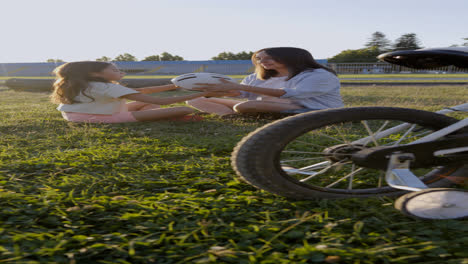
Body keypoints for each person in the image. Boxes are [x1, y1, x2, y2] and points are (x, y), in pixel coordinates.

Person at [186, 47, 344, 116]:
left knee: (245, 105)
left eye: (269, 57)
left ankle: (243, 112)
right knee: (195, 100)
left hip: (308, 108)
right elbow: (240, 93)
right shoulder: (258, 76)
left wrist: (237, 86)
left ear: (291, 58)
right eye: (260, 59)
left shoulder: (318, 74)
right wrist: (210, 90)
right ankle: (231, 116)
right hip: (267, 104)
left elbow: (288, 94)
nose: (262, 62)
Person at [50, 61, 225, 123]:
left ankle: (157, 116)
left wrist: (176, 86)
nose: (121, 73)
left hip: (75, 117)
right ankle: (168, 117)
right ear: (96, 73)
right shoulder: (109, 87)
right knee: (185, 109)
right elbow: (162, 102)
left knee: (145, 103)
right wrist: (203, 93)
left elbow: (142, 91)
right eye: (116, 70)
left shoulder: (85, 84)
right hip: (104, 118)